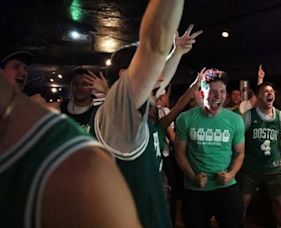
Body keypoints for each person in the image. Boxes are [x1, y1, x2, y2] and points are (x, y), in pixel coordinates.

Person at [90, 2, 202, 227]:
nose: (160, 77)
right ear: (125, 76)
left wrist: (177, 52)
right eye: (151, 68)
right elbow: (153, 45)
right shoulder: (120, 113)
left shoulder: (130, 111)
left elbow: (158, 83)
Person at [0, 73, 141, 227]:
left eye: (85, 84)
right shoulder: (57, 111)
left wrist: (107, 93)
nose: (80, 88)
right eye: (76, 84)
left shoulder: (101, 112)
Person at [174, 68, 245, 228]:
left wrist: (231, 174)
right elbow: (179, 152)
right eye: (213, 92)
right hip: (195, 188)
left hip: (226, 186)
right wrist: (192, 177)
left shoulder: (235, 120)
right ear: (202, 93)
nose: (218, 96)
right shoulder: (185, 119)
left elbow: (240, 153)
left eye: (222, 91)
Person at [239, 81, 281, 228]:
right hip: (251, 167)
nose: (270, 94)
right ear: (258, 97)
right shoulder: (248, 116)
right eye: (266, 92)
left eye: (272, 91)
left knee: (278, 202)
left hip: (272, 168)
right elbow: (240, 139)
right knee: (243, 203)